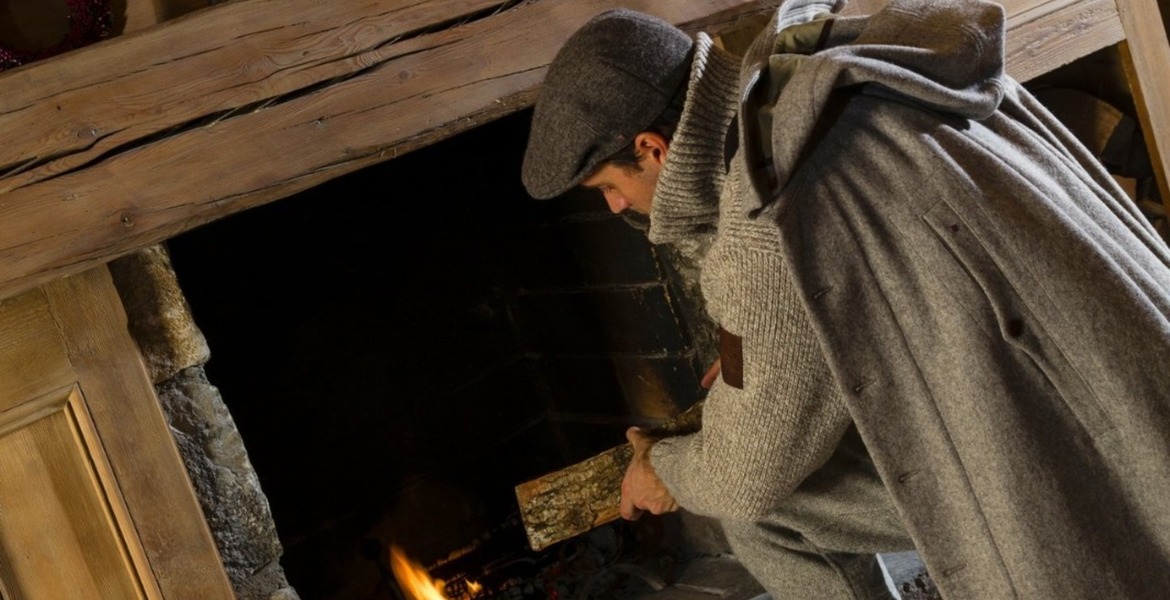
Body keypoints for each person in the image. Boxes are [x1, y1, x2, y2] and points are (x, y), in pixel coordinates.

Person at [521, 1, 1170, 599]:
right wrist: (754, 366)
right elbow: (846, 299)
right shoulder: (822, 75)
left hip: (1076, 463)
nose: (614, 207)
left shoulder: (769, 213)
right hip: (1119, 377)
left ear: (652, 149)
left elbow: (746, 475)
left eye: (608, 187)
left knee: (756, 509)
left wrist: (662, 469)